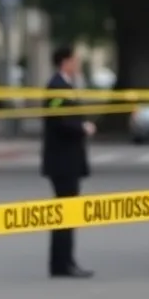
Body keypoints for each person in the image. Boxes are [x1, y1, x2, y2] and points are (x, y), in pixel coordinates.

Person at [42, 45, 95, 278]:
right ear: (65, 62)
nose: (77, 64)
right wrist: (81, 127)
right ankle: (63, 263)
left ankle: (62, 261)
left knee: (66, 211)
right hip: (62, 160)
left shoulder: (67, 86)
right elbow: (57, 119)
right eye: (74, 60)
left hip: (68, 159)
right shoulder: (56, 87)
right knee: (66, 211)